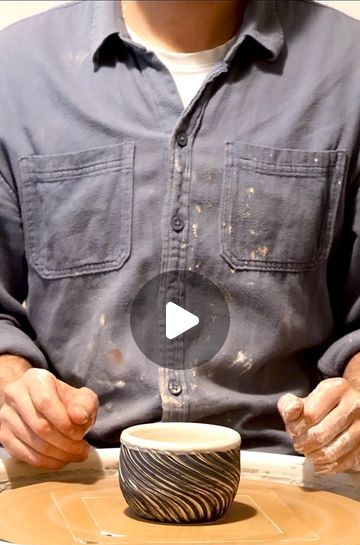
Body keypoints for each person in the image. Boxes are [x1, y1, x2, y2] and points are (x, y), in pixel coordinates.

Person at [0, 0, 359, 474]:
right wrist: (11, 381)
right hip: (73, 476)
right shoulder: (15, 72)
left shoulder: (348, 70)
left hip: (289, 480)